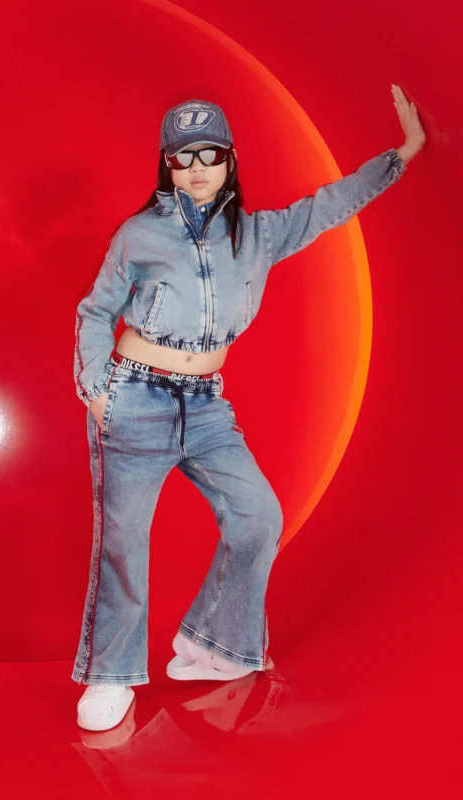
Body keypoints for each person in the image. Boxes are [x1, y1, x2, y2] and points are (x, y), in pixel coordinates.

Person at [72, 90, 426, 732]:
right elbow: (96, 311)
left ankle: (211, 642)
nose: (197, 168)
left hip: (207, 404)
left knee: (258, 515)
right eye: (182, 157)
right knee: (123, 542)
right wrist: (97, 387)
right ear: (167, 166)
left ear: (230, 160)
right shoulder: (139, 235)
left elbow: (328, 205)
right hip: (136, 397)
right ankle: (111, 675)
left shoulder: (259, 234)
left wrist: (402, 155)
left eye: (209, 154)